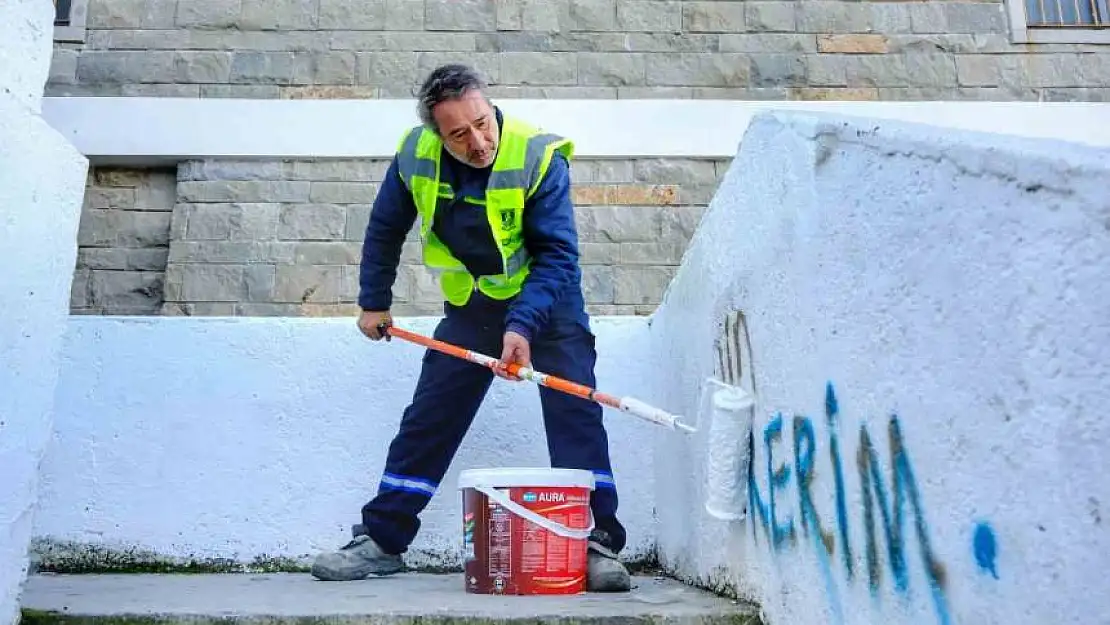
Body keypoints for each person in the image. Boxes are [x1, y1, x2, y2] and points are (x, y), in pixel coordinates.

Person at [309, 63, 631, 593]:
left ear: (490, 107)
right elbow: (385, 227)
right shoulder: (415, 155)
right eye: (459, 133)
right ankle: (382, 541)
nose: (479, 142)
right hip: (475, 306)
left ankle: (596, 544)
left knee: (575, 412)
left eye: (483, 123)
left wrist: (523, 325)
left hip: (548, 303)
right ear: (438, 134)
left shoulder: (537, 155)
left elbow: (557, 255)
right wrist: (374, 303)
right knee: (430, 416)